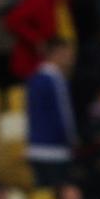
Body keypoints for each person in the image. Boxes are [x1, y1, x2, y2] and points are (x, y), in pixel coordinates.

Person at [25, 37, 77, 187]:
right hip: (55, 150)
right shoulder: (55, 80)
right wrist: (72, 140)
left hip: (36, 148)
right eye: (67, 53)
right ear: (57, 53)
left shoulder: (35, 78)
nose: (71, 58)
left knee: (43, 195)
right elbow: (64, 114)